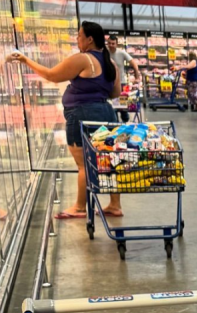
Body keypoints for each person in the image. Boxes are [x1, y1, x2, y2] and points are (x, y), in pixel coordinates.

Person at [12, 21, 122, 219]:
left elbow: (52, 75)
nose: (77, 39)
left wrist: (26, 60)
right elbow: (116, 93)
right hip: (107, 113)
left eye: (79, 36)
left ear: (89, 39)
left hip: (82, 114)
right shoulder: (110, 63)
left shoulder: (83, 59)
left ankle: (80, 207)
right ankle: (115, 204)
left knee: (83, 165)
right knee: (109, 160)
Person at [107, 35, 141, 123]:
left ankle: (125, 121)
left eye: (113, 43)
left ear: (117, 44)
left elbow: (133, 63)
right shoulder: (104, 52)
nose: (111, 45)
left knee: (122, 106)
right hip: (108, 83)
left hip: (121, 82)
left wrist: (137, 76)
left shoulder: (121, 53)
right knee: (112, 105)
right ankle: (115, 123)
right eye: (109, 43)